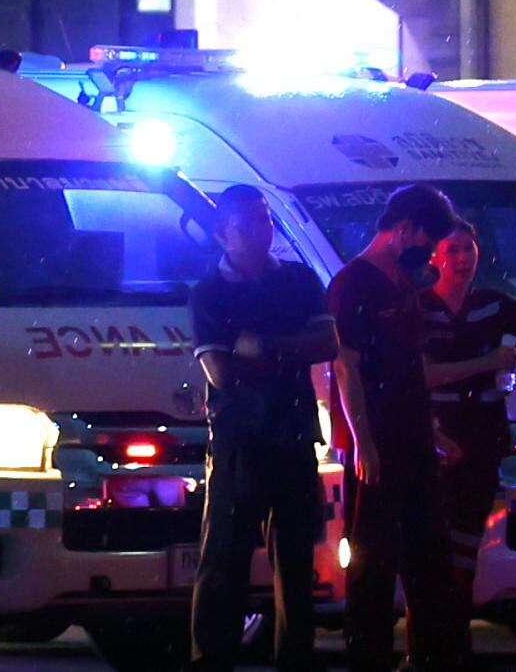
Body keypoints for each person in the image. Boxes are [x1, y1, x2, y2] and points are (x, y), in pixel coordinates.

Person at [191, 186, 338, 672]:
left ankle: (295, 658)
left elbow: (328, 343)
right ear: (222, 234)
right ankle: (213, 660)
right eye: (250, 223)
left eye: (267, 219)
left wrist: (265, 347)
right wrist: (290, 349)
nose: (263, 230)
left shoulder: (297, 279)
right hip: (240, 443)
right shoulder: (209, 292)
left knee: (295, 564)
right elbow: (221, 371)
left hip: (293, 435)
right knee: (224, 562)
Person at [332, 187, 468, 672]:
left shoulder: (404, 283)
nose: (429, 256)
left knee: (429, 558)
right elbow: (346, 367)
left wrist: (431, 431)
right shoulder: (354, 285)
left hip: (413, 439)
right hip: (377, 443)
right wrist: (363, 442)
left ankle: (431, 657)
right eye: (427, 242)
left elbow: (411, 366)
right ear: (404, 228)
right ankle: (368, 658)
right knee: (373, 564)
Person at [431, 218, 516, 614]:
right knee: (436, 534)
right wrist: (486, 362)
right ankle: (436, 625)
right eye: (452, 249)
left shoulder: (494, 304)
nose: (462, 258)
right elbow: (421, 374)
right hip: (438, 429)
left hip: (484, 430)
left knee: (471, 531)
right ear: (434, 255)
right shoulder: (421, 308)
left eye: (468, 249)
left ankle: (457, 622)